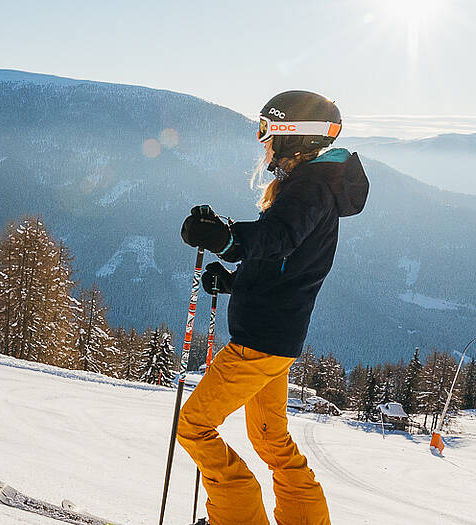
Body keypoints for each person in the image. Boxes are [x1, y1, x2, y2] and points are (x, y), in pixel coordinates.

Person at [174, 90, 368, 525]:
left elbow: (278, 238)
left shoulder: (310, 188)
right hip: (277, 341)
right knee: (271, 440)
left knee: (194, 426)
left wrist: (226, 238)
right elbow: (288, 263)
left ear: (292, 137)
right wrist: (236, 282)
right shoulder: (316, 185)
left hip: (258, 344)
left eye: (266, 132)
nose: (262, 144)